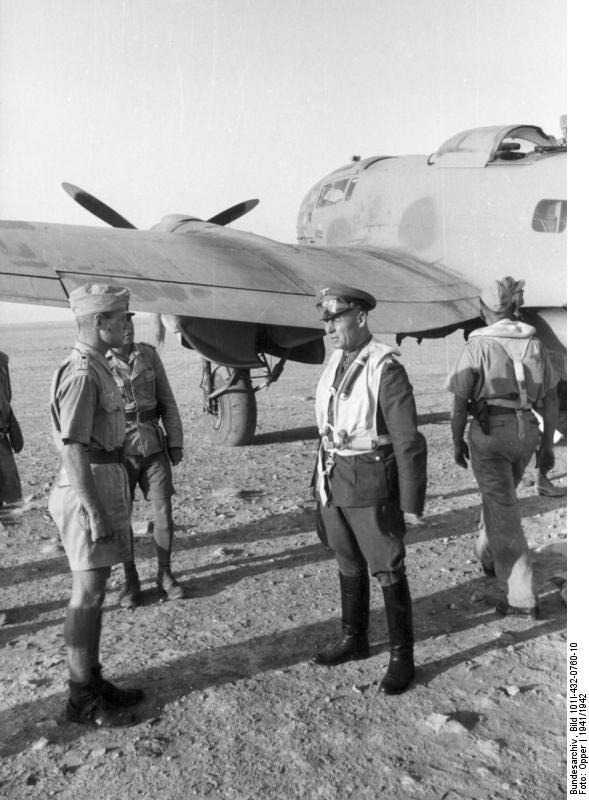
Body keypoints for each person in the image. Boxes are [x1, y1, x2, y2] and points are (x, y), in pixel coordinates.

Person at [311, 283, 427, 695]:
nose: (328, 327)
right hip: (333, 475)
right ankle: (354, 639)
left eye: (336, 318)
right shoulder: (336, 362)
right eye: (325, 319)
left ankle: (402, 657)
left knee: (387, 566)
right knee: (346, 559)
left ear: (360, 318)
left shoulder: (385, 367)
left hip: (370, 478)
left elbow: (408, 439)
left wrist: (411, 501)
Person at [48, 283, 145, 727]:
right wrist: (93, 508)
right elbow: (72, 448)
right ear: (98, 322)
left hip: (102, 479)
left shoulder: (99, 367)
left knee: (97, 591)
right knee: (86, 595)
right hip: (86, 485)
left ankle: (92, 679)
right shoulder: (84, 373)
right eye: (120, 318)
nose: (128, 325)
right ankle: (80, 698)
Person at [446, 276, 559, 618]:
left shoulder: (476, 346)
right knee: (500, 498)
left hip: (490, 432)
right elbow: (551, 399)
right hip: (526, 431)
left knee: (503, 510)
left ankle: (522, 597)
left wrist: (455, 440)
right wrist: (547, 447)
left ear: (482, 311)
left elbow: (459, 401)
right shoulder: (535, 344)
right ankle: (489, 556)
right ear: (513, 308)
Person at [107, 314, 184, 607]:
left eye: (130, 321)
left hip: (153, 446)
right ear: (107, 329)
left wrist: (175, 441)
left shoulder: (148, 355)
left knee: (163, 512)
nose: (127, 327)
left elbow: (167, 401)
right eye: (120, 323)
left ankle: (165, 574)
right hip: (118, 450)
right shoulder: (99, 362)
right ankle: (131, 578)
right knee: (121, 516)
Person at [0, 351, 24, 507]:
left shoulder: (2, 361)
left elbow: (5, 399)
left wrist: (12, 426)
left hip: (1, 438)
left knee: (10, 499)